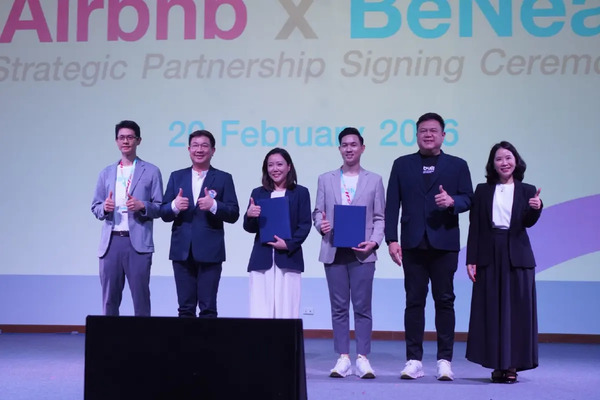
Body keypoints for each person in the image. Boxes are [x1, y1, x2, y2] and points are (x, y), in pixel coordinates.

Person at [384, 112, 473, 381]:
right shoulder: (402, 164)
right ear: (416, 135)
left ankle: (444, 360)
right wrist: (391, 239)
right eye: (423, 130)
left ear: (443, 135)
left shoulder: (457, 165)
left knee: (445, 301)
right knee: (414, 302)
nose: (428, 134)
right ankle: (414, 360)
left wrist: (453, 202)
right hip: (412, 243)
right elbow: (392, 205)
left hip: (444, 243)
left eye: (433, 130)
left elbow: (469, 198)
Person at [465, 141, 542, 383]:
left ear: (516, 161)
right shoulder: (483, 190)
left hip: (517, 256)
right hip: (489, 254)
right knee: (492, 310)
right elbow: (475, 226)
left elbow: (528, 222)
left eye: (508, 158)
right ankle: (497, 364)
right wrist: (471, 258)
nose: (504, 163)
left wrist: (536, 208)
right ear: (493, 164)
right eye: (499, 159)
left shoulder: (528, 190)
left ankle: (512, 366)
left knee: (516, 312)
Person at [312, 127, 385, 379]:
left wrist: (374, 242)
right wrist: (320, 224)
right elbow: (317, 212)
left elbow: (380, 217)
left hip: (363, 252)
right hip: (334, 249)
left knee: (362, 307)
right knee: (339, 307)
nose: (349, 149)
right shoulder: (326, 179)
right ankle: (343, 357)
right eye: (344, 145)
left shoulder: (374, 180)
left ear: (362, 148)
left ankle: (363, 358)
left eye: (354, 144)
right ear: (339, 149)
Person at [161, 130, 239, 318]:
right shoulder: (176, 176)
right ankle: (185, 339)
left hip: (210, 251)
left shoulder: (223, 178)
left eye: (204, 146)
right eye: (195, 145)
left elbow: (233, 213)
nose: (199, 150)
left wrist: (214, 205)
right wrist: (175, 206)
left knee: (208, 308)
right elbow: (163, 213)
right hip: (181, 251)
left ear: (213, 150)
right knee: (185, 308)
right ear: (189, 149)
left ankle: (208, 339)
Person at [91, 120, 163, 316]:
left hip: (137, 243)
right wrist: (104, 208)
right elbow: (95, 206)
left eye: (130, 137)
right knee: (109, 299)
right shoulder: (106, 173)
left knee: (141, 298)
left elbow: (160, 207)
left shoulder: (151, 171)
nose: (125, 141)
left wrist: (142, 206)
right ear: (116, 141)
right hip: (111, 242)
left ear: (138, 140)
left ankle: (142, 336)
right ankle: (110, 336)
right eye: (121, 137)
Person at [243, 148, 311, 319]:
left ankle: (286, 339)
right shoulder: (258, 193)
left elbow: (305, 225)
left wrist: (288, 244)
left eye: (279, 164)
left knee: (287, 311)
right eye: (270, 165)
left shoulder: (301, 193)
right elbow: (250, 227)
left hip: (289, 258)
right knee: (260, 311)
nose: (275, 169)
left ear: (289, 167)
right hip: (262, 258)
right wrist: (249, 215)